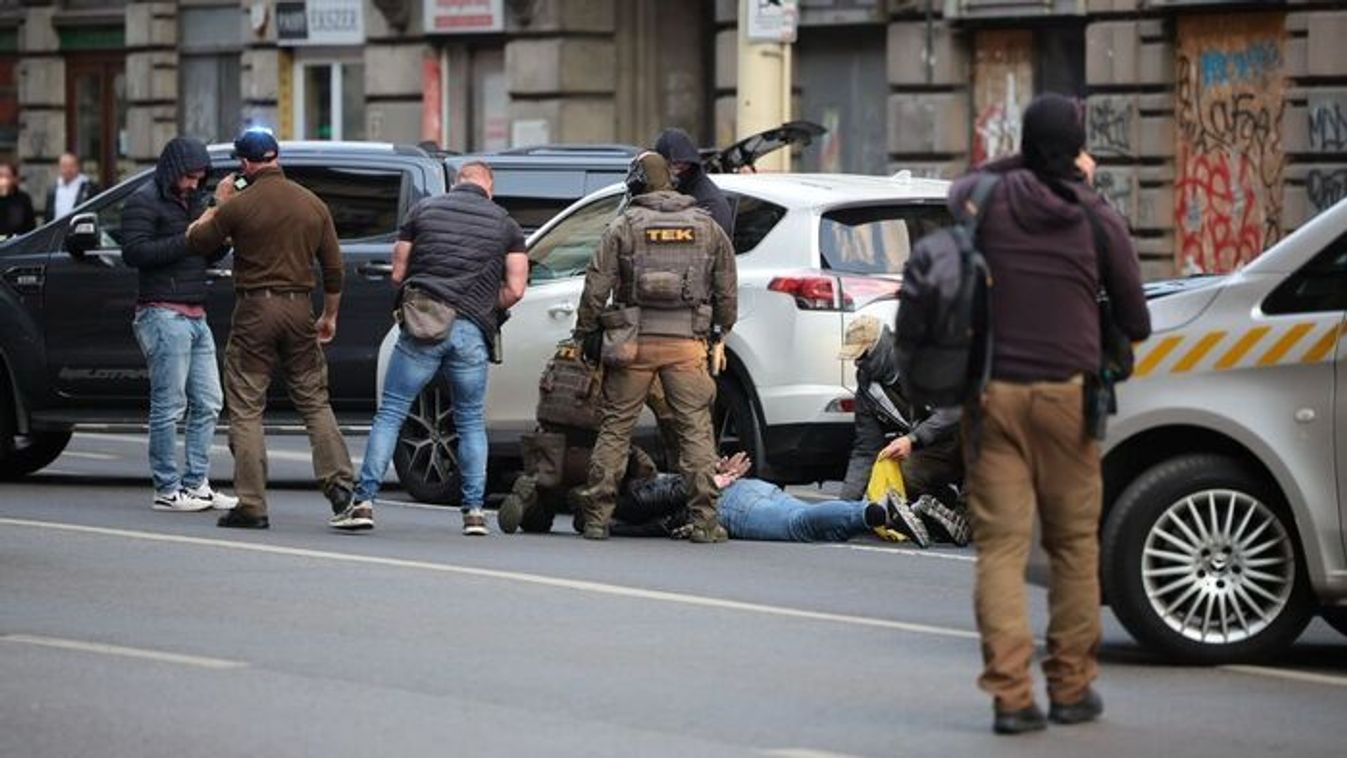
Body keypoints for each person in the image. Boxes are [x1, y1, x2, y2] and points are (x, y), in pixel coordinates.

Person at [950, 93, 1150, 735]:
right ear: (1078, 150)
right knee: (1072, 546)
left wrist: (1028, 159)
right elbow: (1136, 319)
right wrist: (1075, 177)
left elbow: (961, 187)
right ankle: (1071, 688)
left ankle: (1011, 698)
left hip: (992, 398)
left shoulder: (987, 199)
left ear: (1025, 146)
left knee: (1001, 549)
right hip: (1068, 399)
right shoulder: (1095, 215)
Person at [186, 127, 356, 530]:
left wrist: (218, 202)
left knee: (247, 407)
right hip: (300, 310)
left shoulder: (239, 204)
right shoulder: (312, 203)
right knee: (314, 401)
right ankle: (340, 488)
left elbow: (196, 241)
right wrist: (329, 315)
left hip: (255, 311)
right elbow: (334, 269)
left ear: (245, 164)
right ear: (276, 157)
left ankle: (252, 504)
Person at [350, 161, 529, 536]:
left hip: (424, 325)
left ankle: (363, 503)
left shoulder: (423, 210)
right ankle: (474, 513)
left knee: (392, 412)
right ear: (489, 187)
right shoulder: (505, 224)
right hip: (472, 330)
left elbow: (398, 273)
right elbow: (515, 289)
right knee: (470, 420)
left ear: (457, 183)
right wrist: (484, 304)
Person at [572, 151, 736, 542]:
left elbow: (596, 285)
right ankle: (704, 522)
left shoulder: (624, 226)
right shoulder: (707, 226)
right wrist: (720, 332)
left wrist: (585, 332)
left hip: (632, 345)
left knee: (615, 428)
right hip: (687, 345)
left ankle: (597, 518)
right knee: (695, 430)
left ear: (637, 183)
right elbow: (726, 287)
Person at [122, 137, 237, 513]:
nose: (193, 183)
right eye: (189, 176)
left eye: (200, 178)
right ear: (172, 170)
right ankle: (167, 488)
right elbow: (134, 252)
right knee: (170, 404)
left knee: (209, 401)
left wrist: (220, 229)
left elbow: (207, 253)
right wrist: (189, 237)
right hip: (161, 312)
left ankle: (197, 484)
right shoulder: (143, 200)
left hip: (195, 312)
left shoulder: (197, 200)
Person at [496, 340, 679, 536]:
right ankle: (591, 502)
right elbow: (667, 414)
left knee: (540, 519)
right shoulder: (627, 357)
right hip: (596, 455)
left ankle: (534, 498)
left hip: (549, 453)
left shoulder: (567, 350)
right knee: (643, 475)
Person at [838, 314, 967, 542]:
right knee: (902, 469)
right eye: (854, 359)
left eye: (862, 356)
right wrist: (842, 511)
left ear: (880, 347)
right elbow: (865, 451)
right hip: (937, 450)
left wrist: (912, 439)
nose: (858, 364)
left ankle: (966, 518)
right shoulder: (867, 389)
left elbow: (954, 410)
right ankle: (940, 508)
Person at [654, 128, 734, 238]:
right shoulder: (673, 190)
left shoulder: (710, 203)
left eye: (680, 166)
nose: (675, 171)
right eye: (669, 166)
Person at [45, 152, 98, 224]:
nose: (68, 170)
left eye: (72, 166)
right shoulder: (52, 189)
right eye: (64, 166)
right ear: (59, 168)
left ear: (78, 167)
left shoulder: (88, 188)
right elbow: (48, 216)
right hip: (57, 229)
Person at [0, 161, 36, 238]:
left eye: (7, 176)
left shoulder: (23, 198)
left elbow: (31, 227)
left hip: (17, 242)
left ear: (14, 179)